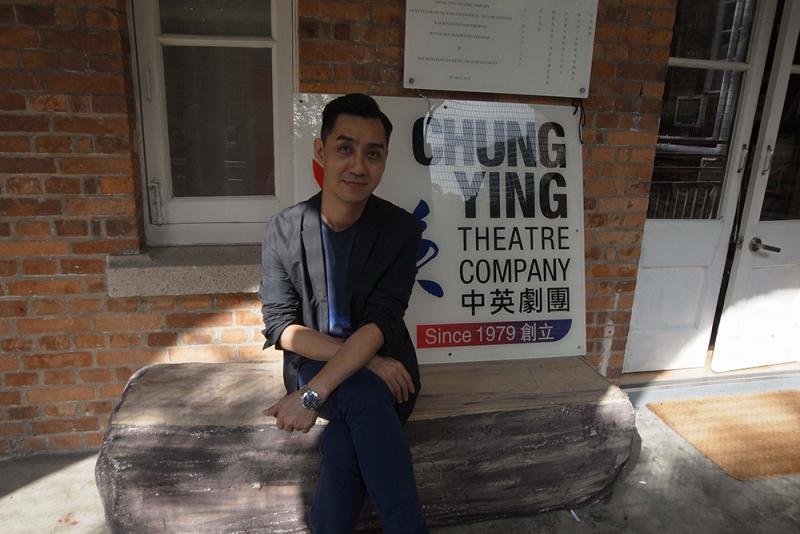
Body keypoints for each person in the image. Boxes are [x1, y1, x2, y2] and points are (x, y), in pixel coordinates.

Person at [259, 93, 428, 533]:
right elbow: (281, 326)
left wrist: (311, 397)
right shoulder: (284, 229)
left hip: (387, 369)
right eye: (345, 148)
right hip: (329, 364)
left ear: (384, 161)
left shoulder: (401, 230)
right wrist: (365, 363)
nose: (358, 165)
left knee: (345, 440)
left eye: (373, 154)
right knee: (365, 395)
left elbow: (382, 320)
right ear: (321, 151)